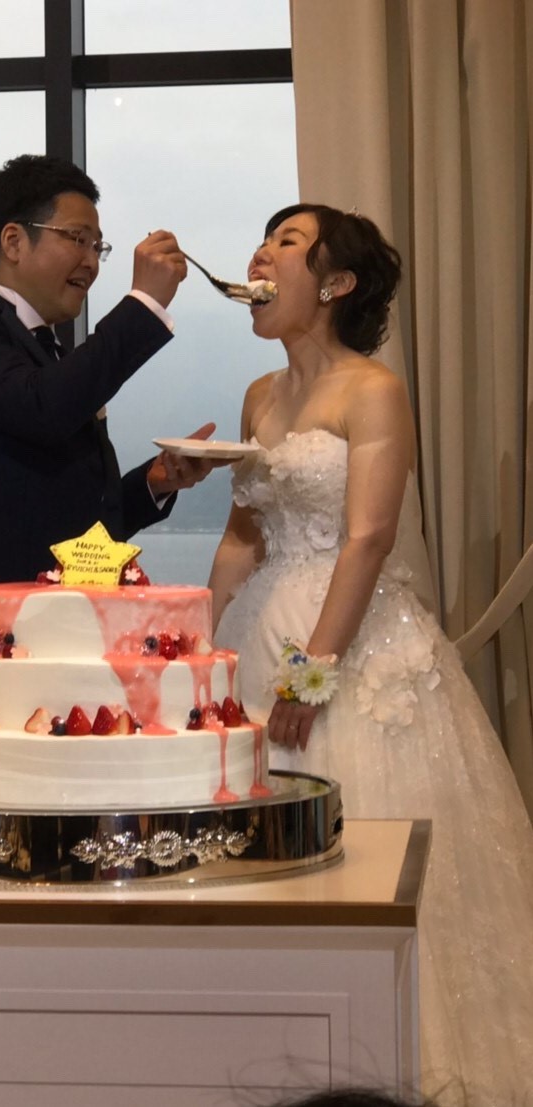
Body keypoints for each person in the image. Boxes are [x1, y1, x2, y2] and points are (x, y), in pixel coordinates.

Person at [209, 202, 533, 1103]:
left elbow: (368, 538)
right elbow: (241, 537)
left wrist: (312, 674)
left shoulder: (374, 389)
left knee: (368, 858)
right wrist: (197, 643)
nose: (260, 256)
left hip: (350, 645)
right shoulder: (258, 396)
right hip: (256, 633)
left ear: (337, 283)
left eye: (285, 243)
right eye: (263, 238)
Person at [0, 153, 220, 720]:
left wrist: (153, 484)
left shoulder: (56, 358)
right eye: (78, 239)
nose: (92, 262)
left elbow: (79, 520)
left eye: (98, 246)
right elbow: (43, 409)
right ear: (13, 241)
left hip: (66, 641)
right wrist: (144, 304)